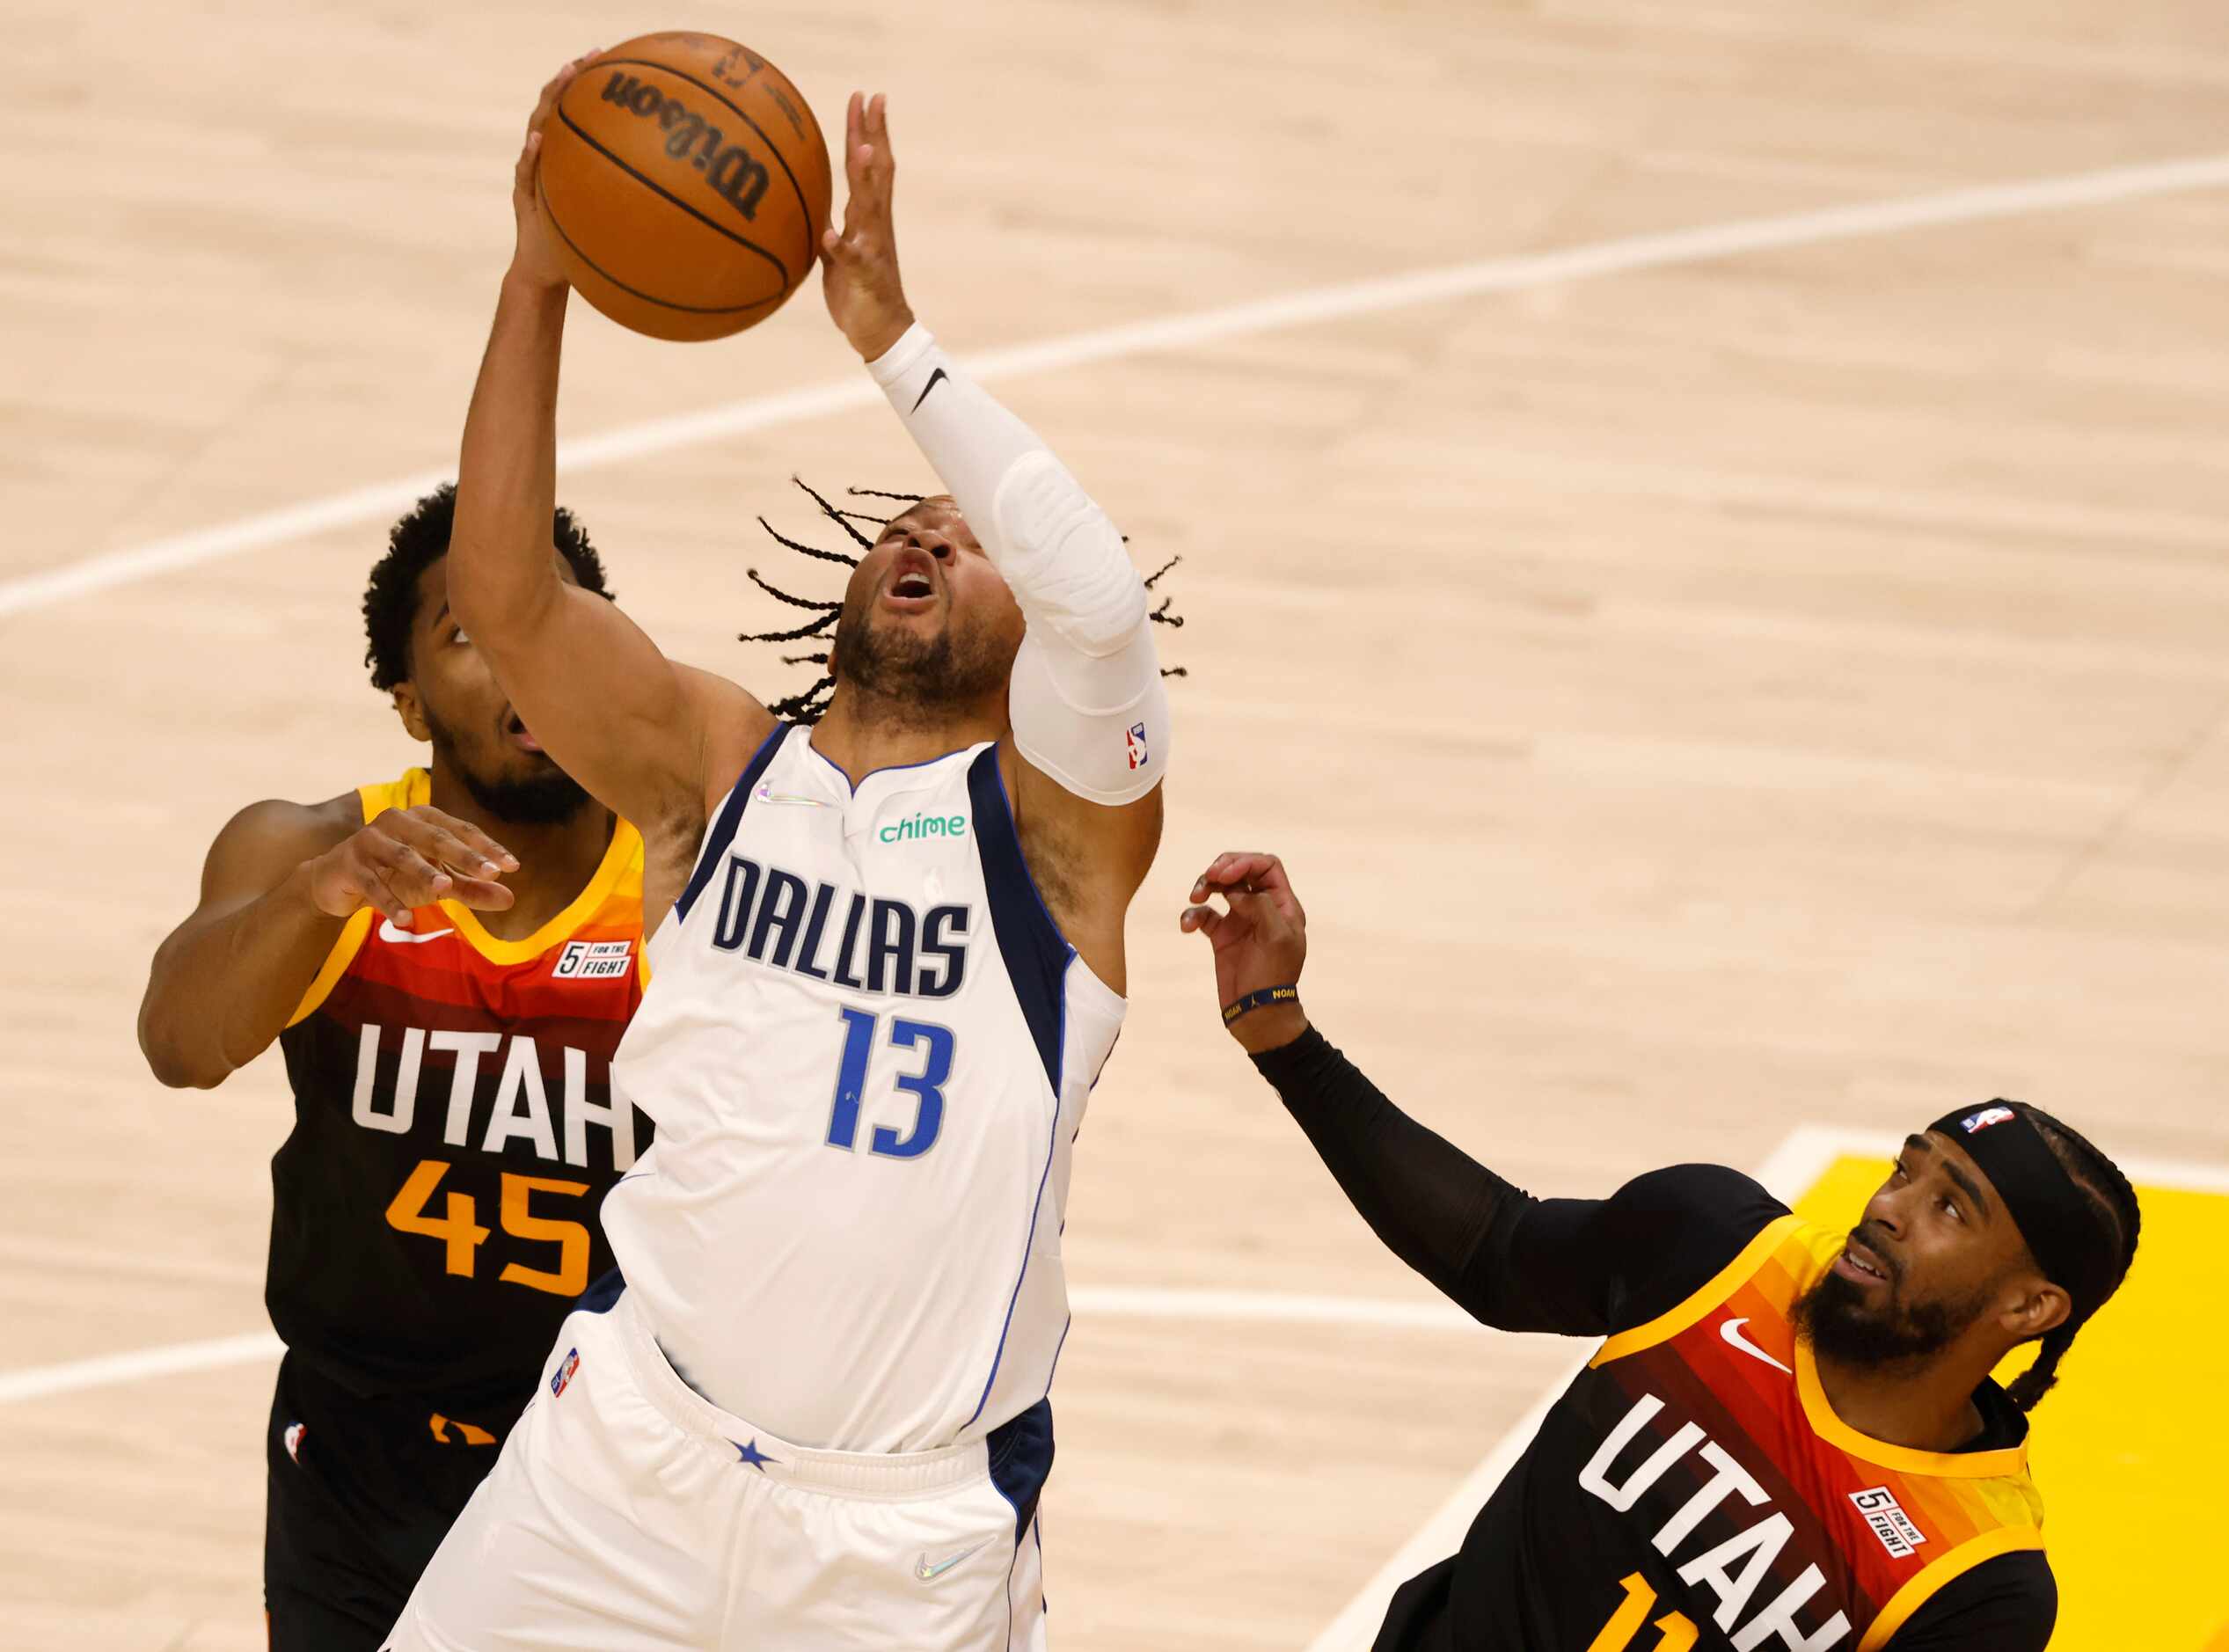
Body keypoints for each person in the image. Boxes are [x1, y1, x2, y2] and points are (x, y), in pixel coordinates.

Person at [384, 65, 1169, 1652]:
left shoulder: (1056, 844)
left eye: (973, 536)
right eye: (909, 521)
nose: (931, 536)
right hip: (624, 1457)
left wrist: (888, 335)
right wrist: (538, 272)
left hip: (900, 1541)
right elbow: (509, 594)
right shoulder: (715, 766)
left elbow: (1095, 602)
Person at [1181, 850, 2141, 1651]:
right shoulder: (1717, 1247)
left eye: (1949, 1208)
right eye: (1904, 1169)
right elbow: (1491, 1247)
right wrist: (1282, 1034)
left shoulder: (1971, 1581)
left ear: (2028, 1308)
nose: (1888, 1206)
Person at [137, 486, 654, 1649]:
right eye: (472, 633)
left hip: (617, 1469)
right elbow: (179, 1042)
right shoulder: (307, 853)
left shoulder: (698, 875)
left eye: (550, 617)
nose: (524, 655)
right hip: (361, 1463)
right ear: (408, 700)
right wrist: (318, 899)